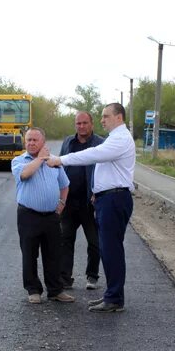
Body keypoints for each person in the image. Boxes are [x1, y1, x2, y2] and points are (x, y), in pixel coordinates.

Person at [47, 103, 135, 313]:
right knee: (108, 248)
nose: (102, 120)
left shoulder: (120, 139)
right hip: (108, 199)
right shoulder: (115, 137)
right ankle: (112, 296)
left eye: (106, 116)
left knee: (110, 250)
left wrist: (59, 160)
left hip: (114, 199)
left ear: (119, 117)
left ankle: (114, 298)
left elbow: (92, 155)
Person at [11, 127, 75, 305]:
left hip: (51, 217)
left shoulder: (54, 162)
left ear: (43, 142)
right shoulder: (19, 161)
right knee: (29, 254)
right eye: (28, 140)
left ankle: (55, 290)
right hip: (28, 215)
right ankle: (33, 290)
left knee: (54, 254)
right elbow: (25, 175)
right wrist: (40, 159)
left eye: (35, 140)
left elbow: (65, 185)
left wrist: (61, 204)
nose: (31, 143)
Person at [58, 111, 105, 290]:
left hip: (90, 202)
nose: (82, 126)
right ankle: (65, 278)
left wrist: (98, 190)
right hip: (69, 201)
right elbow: (61, 167)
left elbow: (105, 169)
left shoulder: (100, 143)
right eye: (78, 123)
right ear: (75, 125)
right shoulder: (68, 142)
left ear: (92, 124)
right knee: (65, 240)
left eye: (85, 123)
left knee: (95, 242)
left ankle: (92, 276)